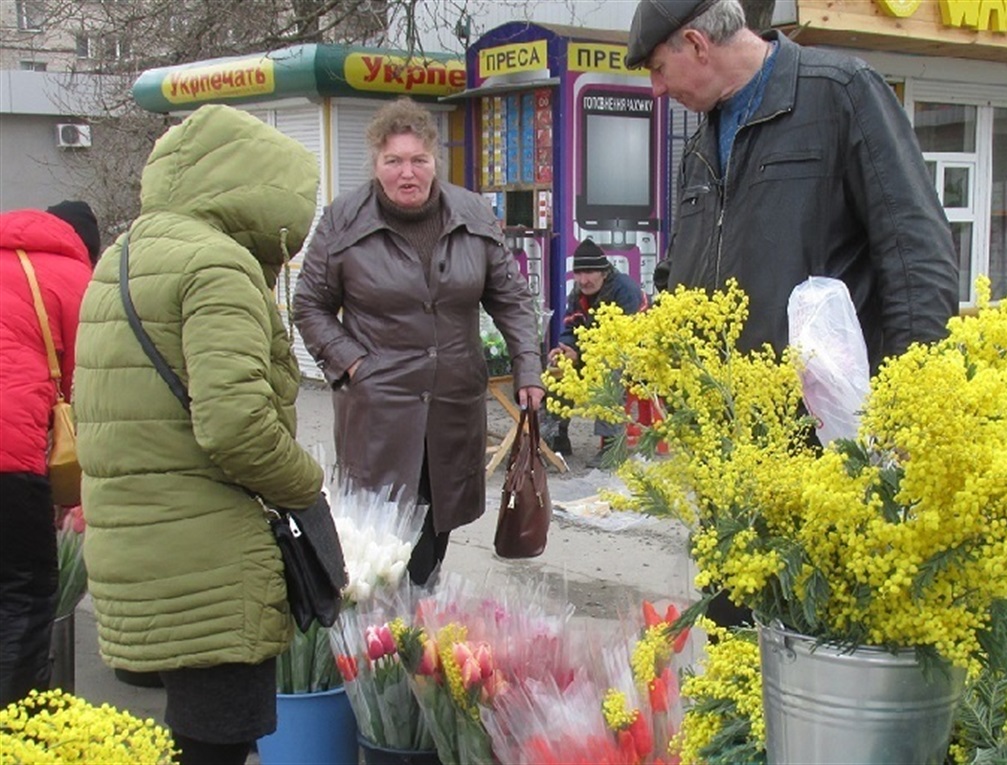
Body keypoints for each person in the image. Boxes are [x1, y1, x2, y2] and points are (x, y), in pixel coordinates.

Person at [72, 105, 324, 765]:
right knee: (217, 743)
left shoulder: (120, 257)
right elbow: (235, 424)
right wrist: (307, 484)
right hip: (210, 565)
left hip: (137, 550)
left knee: (185, 737)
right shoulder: (216, 265)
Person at [294, 97, 545, 586]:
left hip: (453, 411)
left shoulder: (471, 213)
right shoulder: (343, 220)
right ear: (376, 163)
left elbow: (511, 298)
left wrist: (527, 368)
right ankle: (382, 646)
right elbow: (309, 305)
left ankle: (416, 638)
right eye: (394, 161)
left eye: (418, 160)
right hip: (379, 414)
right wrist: (353, 365)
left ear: (435, 160)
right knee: (377, 549)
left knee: (434, 536)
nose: (407, 173)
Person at [627, 0, 958, 369]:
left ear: (697, 44)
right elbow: (683, 269)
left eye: (659, 69)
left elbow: (914, 250)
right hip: (721, 413)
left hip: (822, 417)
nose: (656, 88)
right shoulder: (698, 148)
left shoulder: (842, 93)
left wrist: (914, 387)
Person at [0, 202, 97, 706]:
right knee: (25, 594)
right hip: (11, 457)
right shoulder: (72, 275)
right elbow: (88, 383)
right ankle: (15, 727)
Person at [545, 239, 648, 466]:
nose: (583, 280)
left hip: (635, 356)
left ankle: (612, 445)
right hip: (593, 353)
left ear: (603, 271)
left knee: (609, 368)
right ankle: (556, 433)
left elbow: (625, 341)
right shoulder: (578, 294)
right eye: (579, 273)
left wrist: (580, 355)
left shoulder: (625, 290)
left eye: (589, 272)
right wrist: (566, 349)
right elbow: (571, 328)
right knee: (556, 366)